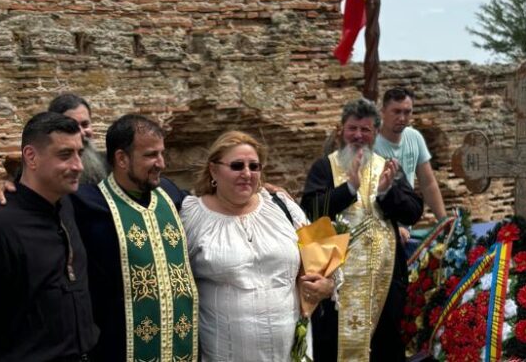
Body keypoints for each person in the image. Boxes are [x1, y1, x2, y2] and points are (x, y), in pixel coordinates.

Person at [0, 111, 97, 360]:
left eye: (79, 154)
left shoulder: (68, 205)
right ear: (31, 156)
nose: (78, 166)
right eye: (65, 155)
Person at [181, 131, 334, 362]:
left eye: (254, 166)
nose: (247, 174)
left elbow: (325, 261)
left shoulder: (283, 206)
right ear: (213, 170)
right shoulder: (191, 215)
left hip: (290, 351)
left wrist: (327, 285)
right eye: (237, 166)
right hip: (224, 353)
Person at [302, 98, 422, 362]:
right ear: (341, 130)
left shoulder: (387, 167)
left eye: (365, 130)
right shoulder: (325, 167)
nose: (358, 135)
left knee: (382, 349)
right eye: (352, 128)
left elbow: (413, 211)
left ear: (375, 133)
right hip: (335, 285)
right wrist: (349, 189)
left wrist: (387, 193)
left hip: (384, 282)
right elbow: (310, 209)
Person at [73, 114, 197, 362]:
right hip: (117, 347)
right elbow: (35, 202)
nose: (161, 163)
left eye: (162, 153)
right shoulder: (85, 203)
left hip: (180, 346)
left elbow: (214, 201)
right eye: (151, 155)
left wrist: (260, 192)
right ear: (121, 158)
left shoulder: (170, 193)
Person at [374, 87, 447, 222]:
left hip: (407, 217)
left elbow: (428, 183)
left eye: (407, 112)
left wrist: (443, 220)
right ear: (383, 112)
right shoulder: (371, 145)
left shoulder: (415, 137)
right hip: (380, 224)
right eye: (396, 112)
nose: (402, 118)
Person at [48, 93, 108, 185]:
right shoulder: (46, 173)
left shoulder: (109, 165)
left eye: (85, 125)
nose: (82, 133)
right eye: (73, 126)